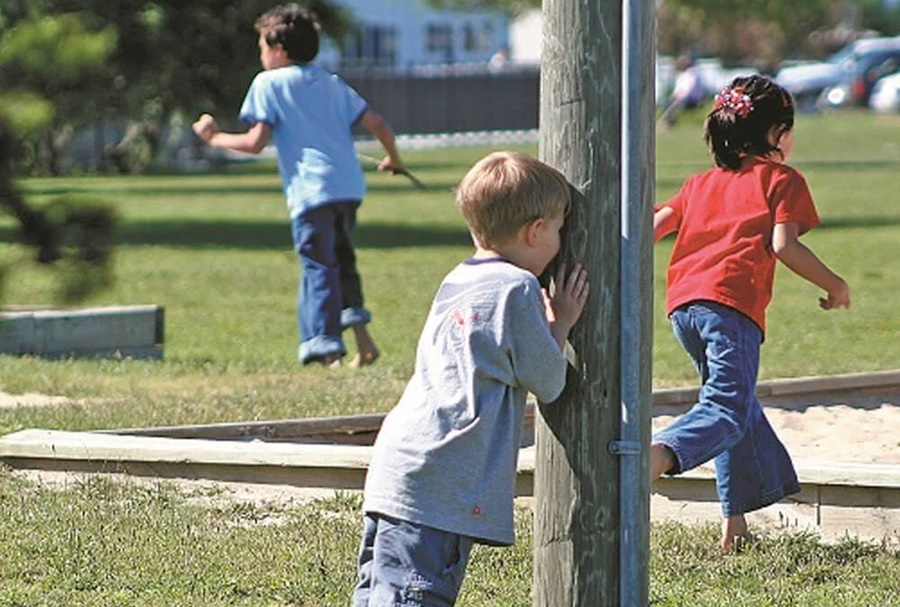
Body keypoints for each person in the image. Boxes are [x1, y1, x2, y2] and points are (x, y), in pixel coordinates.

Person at [353, 151, 590, 606]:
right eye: (560, 230)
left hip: (402, 466)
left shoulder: (459, 278)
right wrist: (560, 323)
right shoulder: (517, 288)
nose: (562, 242)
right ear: (535, 230)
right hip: (441, 480)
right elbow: (550, 381)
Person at [651, 75, 852, 553]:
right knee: (725, 408)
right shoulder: (782, 181)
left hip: (684, 309)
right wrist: (834, 284)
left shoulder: (699, 184)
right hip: (731, 307)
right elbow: (784, 245)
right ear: (774, 135)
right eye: (788, 128)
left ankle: (734, 525)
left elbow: (652, 227)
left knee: (736, 409)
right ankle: (652, 459)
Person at [192, 4, 404, 367]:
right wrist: (393, 159)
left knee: (318, 266)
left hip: (311, 192)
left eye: (261, 47)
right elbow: (379, 124)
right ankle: (364, 343)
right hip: (347, 188)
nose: (260, 55)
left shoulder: (268, 83)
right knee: (342, 261)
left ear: (278, 50)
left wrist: (214, 139)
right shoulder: (331, 82)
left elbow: (255, 142)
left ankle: (326, 350)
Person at [658, 55, 706, 128]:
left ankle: (665, 121)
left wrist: (680, 95)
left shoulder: (691, 74)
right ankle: (669, 122)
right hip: (682, 96)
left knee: (677, 103)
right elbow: (678, 89)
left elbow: (689, 89)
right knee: (669, 102)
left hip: (692, 98)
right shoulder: (682, 75)